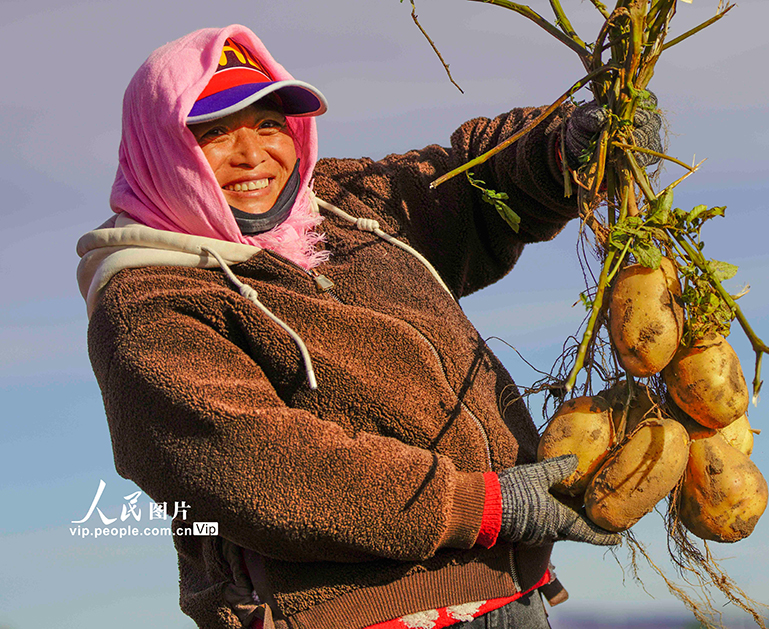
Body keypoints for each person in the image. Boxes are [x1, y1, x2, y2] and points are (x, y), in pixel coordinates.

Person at [76, 25, 662, 629]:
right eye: (214, 133)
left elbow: (470, 177)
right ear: (159, 149)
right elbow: (262, 466)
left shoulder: (343, 207)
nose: (252, 153)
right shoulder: (149, 304)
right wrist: (489, 506)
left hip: (511, 596)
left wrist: (567, 149)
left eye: (270, 124)